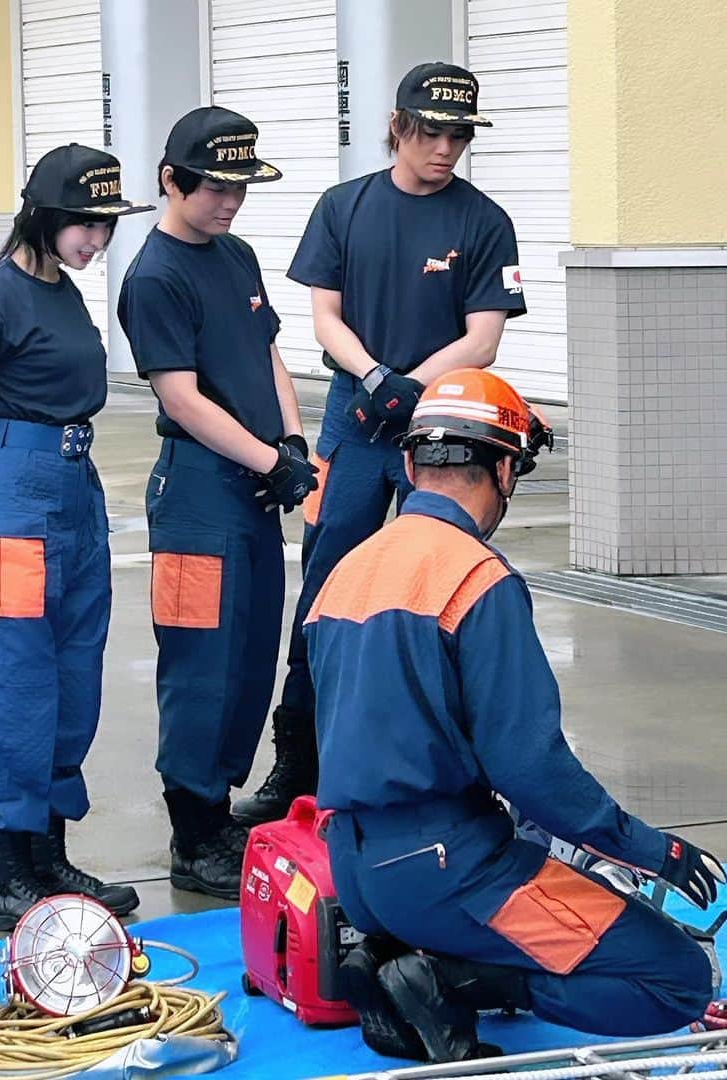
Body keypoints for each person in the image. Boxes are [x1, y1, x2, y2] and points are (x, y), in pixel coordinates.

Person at [306, 368, 726, 1061]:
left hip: (355, 868)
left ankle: (402, 959)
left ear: (409, 463)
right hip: (448, 868)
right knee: (673, 977)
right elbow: (530, 767)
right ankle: (446, 978)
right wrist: (655, 852)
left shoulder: (347, 571)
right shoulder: (477, 579)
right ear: (503, 468)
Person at [233, 62, 527, 827]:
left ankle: (441, 759)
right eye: (431, 132)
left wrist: (412, 387)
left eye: (458, 135)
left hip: (448, 423)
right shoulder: (345, 207)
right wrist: (373, 378)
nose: (445, 148)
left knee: (441, 580)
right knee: (329, 581)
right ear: (398, 127)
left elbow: (484, 337)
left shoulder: (483, 220)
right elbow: (323, 314)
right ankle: (300, 755)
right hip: (354, 421)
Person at [0, 144, 154, 931]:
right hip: (14, 505)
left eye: (106, 227)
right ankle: (6, 876)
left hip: (77, 495)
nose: (98, 240)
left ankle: (49, 856)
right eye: (86, 224)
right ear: (45, 216)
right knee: (16, 690)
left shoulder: (65, 294)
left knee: (71, 683)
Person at [117, 106, 317, 899]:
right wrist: (271, 457)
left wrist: (294, 441)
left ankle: (219, 804)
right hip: (198, 493)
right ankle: (192, 832)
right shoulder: (154, 275)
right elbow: (183, 396)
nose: (228, 201)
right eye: (213, 187)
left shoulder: (236, 257)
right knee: (200, 665)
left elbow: (267, 351)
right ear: (172, 180)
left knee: (246, 659)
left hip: (253, 487)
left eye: (239, 186)